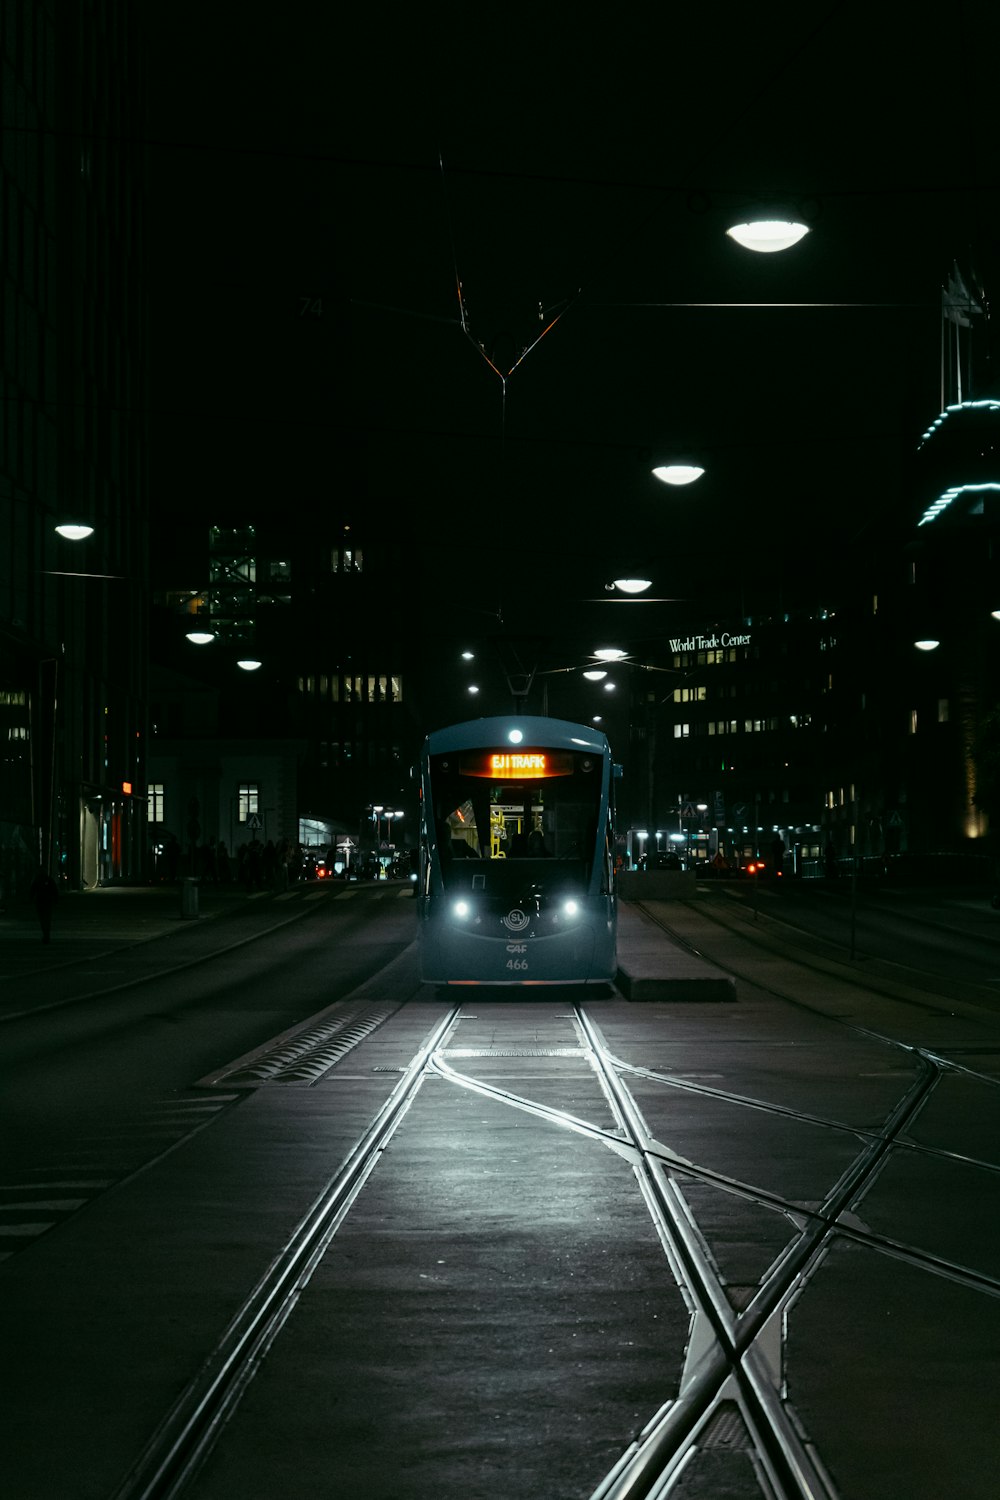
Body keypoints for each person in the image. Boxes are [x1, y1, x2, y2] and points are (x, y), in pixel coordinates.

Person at [29, 866, 59, 943]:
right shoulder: (49, 880)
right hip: (48, 901)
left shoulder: (37, 880)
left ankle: (45, 934)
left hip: (40, 901)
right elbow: (54, 890)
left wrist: (30, 900)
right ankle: (46, 934)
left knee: (42, 919)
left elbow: (32, 891)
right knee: (47, 919)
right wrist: (56, 900)